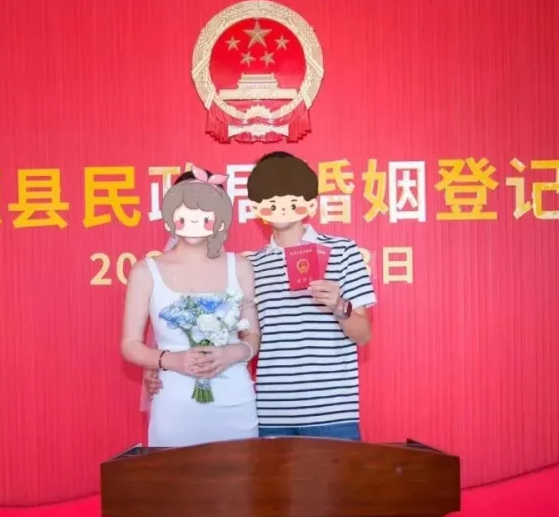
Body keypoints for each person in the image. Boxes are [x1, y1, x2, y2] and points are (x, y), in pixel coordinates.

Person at [145, 152, 376, 441]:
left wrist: (340, 306)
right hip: (271, 415)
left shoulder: (343, 251)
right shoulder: (249, 266)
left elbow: (363, 334)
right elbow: (226, 332)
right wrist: (163, 363)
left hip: (332, 414)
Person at [121, 165, 260, 447]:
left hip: (235, 401)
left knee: (239, 475)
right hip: (175, 404)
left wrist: (229, 353)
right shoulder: (146, 271)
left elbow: (252, 336)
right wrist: (174, 361)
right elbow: (130, 345)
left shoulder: (240, 267)